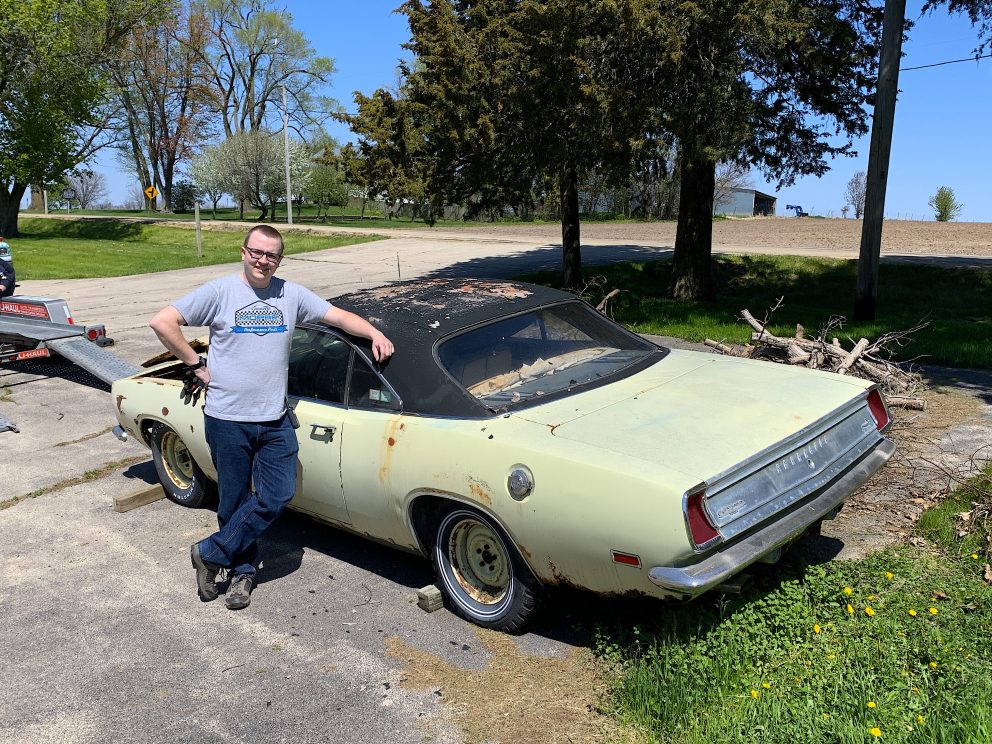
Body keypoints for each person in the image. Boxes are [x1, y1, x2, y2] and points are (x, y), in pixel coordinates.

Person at [149, 224, 394, 610]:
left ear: (280, 259)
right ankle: (241, 573)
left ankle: (210, 553)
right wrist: (195, 363)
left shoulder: (291, 294)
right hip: (228, 420)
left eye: (272, 255)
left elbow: (338, 317)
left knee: (277, 494)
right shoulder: (219, 293)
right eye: (257, 253)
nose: (264, 261)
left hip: (275, 418)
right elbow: (163, 321)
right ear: (243, 252)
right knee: (232, 501)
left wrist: (374, 333)